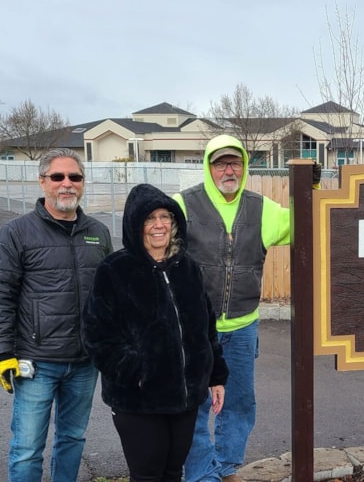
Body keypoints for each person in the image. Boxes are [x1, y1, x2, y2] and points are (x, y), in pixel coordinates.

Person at [175, 134, 321, 482]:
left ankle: (226, 469)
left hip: (242, 328)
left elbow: (305, 222)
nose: (229, 169)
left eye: (235, 162)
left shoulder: (261, 208)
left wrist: (311, 190)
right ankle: (199, 473)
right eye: (221, 163)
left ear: (244, 165)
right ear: (209, 167)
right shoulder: (184, 205)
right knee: (194, 406)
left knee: (239, 404)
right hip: (194, 328)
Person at [82, 183, 229, 482]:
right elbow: (97, 336)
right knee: (148, 475)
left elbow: (206, 326)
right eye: (150, 218)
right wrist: (136, 371)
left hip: (185, 398)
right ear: (136, 224)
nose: (159, 225)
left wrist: (215, 376)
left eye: (165, 217)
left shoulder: (187, 267)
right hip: (139, 400)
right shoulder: (115, 270)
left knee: (173, 472)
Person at [0, 148, 113, 482]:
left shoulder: (98, 232)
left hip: (85, 364)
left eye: (75, 177)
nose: (67, 184)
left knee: (72, 439)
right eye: (58, 177)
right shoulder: (16, 233)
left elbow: (110, 296)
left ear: (83, 184)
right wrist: (2, 352)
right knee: (27, 449)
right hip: (36, 363)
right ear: (43, 182)